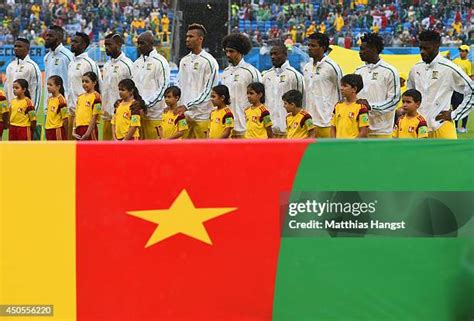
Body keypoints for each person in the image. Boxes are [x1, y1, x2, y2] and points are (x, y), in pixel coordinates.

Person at [409, 31, 473, 138]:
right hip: (419, 129)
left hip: (442, 127)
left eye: (426, 48)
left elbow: (472, 90)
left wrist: (454, 114)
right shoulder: (416, 68)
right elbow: (411, 94)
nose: (422, 51)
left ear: (436, 46)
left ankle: (462, 126)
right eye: (420, 48)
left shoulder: (449, 68)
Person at [176, 24, 219, 139]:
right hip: (185, 115)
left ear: (200, 39)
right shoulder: (184, 60)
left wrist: (188, 105)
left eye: (191, 36)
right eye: (187, 36)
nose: (187, 39)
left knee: (203, 153)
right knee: (184, 152)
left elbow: (209, 91)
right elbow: (179, 85)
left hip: (202, 116)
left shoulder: (209, 61)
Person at [355, 33, 400, 138]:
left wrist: (371, 107)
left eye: (363, 49)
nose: (360, 52)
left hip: (382, 130)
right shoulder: (358, 71)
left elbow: (394, 100)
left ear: (374, 49)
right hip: (361, 129)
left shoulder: (390, 71)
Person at [303, 32, 343, 138]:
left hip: (327, 122)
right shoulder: (306, 67)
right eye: (309, 45)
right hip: (310, 121)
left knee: (329, 154)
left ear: (323, 47)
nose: (309, 48)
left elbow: (342, 92)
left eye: (313, 46)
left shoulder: (332, 67)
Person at [221, 33, 260, 138]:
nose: (228, 54)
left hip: (245, 127)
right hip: (227, 128)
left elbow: (260, 100)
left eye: (231, 51)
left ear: (240, 52)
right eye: (226, 51)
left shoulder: (251, 72)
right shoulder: (225, 72)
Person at [133, 31, 170, 140]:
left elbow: (163, 88)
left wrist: (146, 103)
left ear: (151, 43)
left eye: (142, 43)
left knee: (155, 153)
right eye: (138, 43)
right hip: (138, 116)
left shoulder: (161, 62)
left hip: (155, 116)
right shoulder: (136, 63)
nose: (139, 46)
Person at [262, 43, 304, 138]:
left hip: (289, 131)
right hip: (269, 131)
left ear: (285, 54)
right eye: (271, 54)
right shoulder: (266, 76)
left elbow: (301, 103)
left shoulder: (295, 76)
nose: (273, 56)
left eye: (276, 54)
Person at [68, 32, 101, 140]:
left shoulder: (89, 63)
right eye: (72, 41)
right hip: (73, 112)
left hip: (87, 116)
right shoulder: (71, 63)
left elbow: (98, 86)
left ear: (84, 45)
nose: (72, 44)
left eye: (76, 42)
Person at [102, 33, 134, 140]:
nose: (106, 48)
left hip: (122, 116)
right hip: (107, 115)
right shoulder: (106, 65)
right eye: (105, 45)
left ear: (119, 44)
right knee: (106, 152)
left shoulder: (127, 64)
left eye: (110, 45)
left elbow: (134, 88)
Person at [5, 38, 41, 112]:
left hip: (24, 112)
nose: (16, 48)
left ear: (27, 49)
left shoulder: (32, 67)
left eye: (20, 46)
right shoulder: (10, 66)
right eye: (15, 46)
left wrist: (33, 113)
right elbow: (7, 88)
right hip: (12, 110)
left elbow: (36, 92)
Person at [44, 25, 74, 112]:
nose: (47, 38)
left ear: (59, 38)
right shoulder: (47, 57)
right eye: (47, 35)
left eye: (50, 36)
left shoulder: (68, 56)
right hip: (49, 104)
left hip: (64, 106)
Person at [330, 74, 369, 139]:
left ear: (354, 89)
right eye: (341, 85)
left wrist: (351, 146)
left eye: (345, 86)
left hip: (353, 147)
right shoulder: (338, 106)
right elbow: (333, 127)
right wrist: (334, 143)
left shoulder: (361, 108)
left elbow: (364, 131)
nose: (341, 88)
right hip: (338, 146)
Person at [72, 72, 102, 141]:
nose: (84, 84)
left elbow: (95, 116)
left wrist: (88, 133)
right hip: (78, 129)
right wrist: (74, 130)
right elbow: (76, 115)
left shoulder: (96, 97)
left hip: (90, 129)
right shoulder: (80, 97)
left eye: (87, 81)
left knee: (92, 151)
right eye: (83, 81)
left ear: (94, 83)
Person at [451, 45, 473, 133]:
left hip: (464, 89)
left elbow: (471, 76)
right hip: (455, 88)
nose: (461, 52)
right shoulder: (455, 61)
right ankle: (455, 126)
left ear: (467, 52)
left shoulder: (469, 63)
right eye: (460, 50)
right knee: (454, 107)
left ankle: (463, 127)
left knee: (463, 106)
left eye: (464, 51)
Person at [45, 75, 68, 140]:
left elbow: (65, 118)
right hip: (48, 129)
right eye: (47, 85)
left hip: (57, 129)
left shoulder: (61, 100)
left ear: (58, 87)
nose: (48, 87)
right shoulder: (49, 99)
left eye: (50, 85)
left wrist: (66, 133)